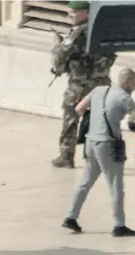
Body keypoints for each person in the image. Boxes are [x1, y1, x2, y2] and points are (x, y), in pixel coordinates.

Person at [62, 68, 135, 237]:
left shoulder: (98, 90)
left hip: (90, 142)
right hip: (108, 145)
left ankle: (70, 217)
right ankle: (119, 225)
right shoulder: (126, 99)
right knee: (116, 186)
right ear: (128, 83)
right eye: (134, 84)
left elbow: (79, 109)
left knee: (85, 183)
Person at [51, 0, 117, 169]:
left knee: (71, 117)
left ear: (86, 13)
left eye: (74, 12)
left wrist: (56, 44)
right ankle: (102, 156)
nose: (70, 14)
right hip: (102, 82)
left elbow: (61, 55)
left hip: (80, 84)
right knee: (100, 120)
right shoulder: (105, 29)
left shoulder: (78, 32)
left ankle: (66, 156)